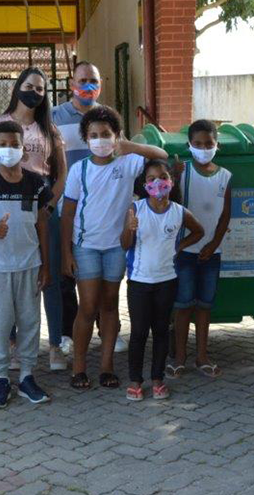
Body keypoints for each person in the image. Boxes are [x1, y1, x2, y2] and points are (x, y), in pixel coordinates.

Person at [62, 106, 168, 389]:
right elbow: (68, 213)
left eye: (106, 134)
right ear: (85, 139)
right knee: (87, 307)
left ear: (116, 135)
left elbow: (162, 156)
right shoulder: (78, 170)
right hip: (85, 247)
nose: (100, 140)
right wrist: (66, 253)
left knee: (109, 305)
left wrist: (128, 145)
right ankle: (79, 367)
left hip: (116, 248)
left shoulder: (128, 163)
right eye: (94, 135)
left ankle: (107, 366)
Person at [0, 120, 54, 408]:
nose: (9, 149)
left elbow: (42, 223)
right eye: (2, 144)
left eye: (14, 144)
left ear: (23, 148)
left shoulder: (36, 183)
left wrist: (46, 264)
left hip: (30, 264)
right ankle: (1, 378)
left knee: (30, 321)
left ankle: (28, 375)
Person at [0, 67, 73, 368]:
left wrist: (50, 206)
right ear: (17, 88)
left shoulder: (50, 130)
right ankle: (14, 345)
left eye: (40, 89)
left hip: (44, 209)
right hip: (9, 209)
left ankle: (54, 346)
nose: (34, 93)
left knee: (48, 276)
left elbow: (61, 172)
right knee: (14, 276)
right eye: (29, 86)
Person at [122, 160, 204, 400]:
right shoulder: (136, 209)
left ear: (171, 181)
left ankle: (157, 379)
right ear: (145, 184)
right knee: (138, 332)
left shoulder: (179, 212)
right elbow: (124, 244)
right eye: (151, 179)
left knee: (160, 331)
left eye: (162, 177)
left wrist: (180, 246)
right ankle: (136, 380)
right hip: (138, 281)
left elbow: (199, 231)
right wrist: (130, 229)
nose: (157, 183)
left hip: (167, 280)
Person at [169, 120, 232, 379]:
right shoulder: (182, 172)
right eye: (197, 144)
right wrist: (173, 178)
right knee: (183, 306)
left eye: (209, 143)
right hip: (184, 253)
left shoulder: (225, 176)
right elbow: (173, 208)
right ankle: (180, 357)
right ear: (189, 145)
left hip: (211, 253)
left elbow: (226, 215)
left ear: (217, 145)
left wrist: (214, 244)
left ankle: (202, 356)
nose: (203, 148)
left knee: (205, 306)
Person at [50, 61, 101, 360]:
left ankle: (105, 330)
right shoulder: (55, 116)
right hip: (65, 209)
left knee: (97, 274)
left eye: (93, 81)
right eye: (82, 80)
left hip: (99, 211)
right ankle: (68, 334)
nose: (88, 86)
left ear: (100, 84)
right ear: (71, 83)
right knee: (65, 274)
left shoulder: (106, 117)